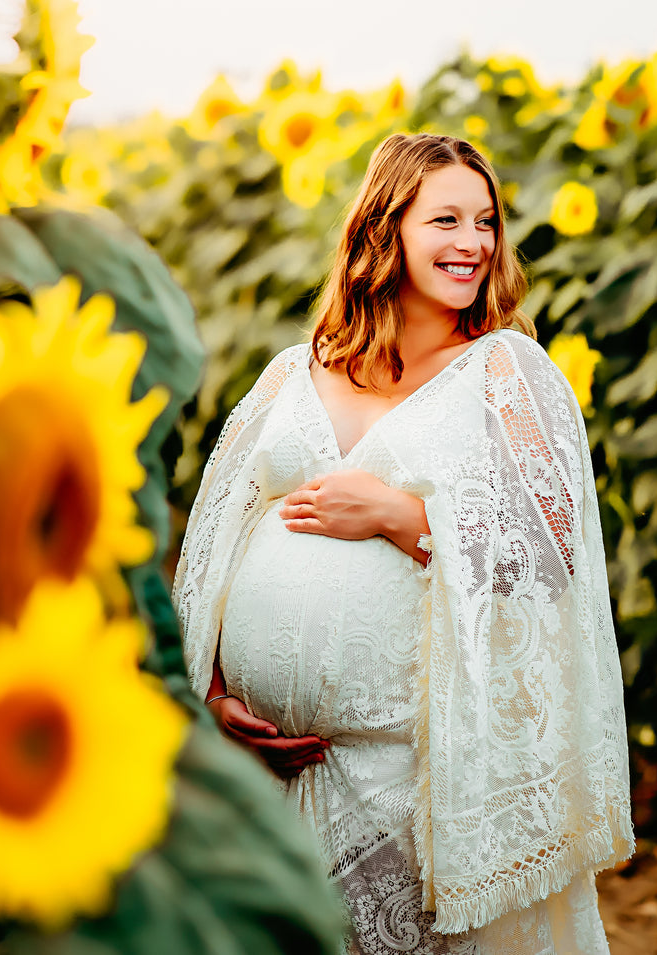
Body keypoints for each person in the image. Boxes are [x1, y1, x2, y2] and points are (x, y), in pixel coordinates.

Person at [171, 133, 632, 955]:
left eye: (485, 221)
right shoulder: (294, 370)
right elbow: (214, 543)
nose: (473, 243)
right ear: (384, 229)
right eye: (445, 219)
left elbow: (552, 561)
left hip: (413, 776)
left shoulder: (507, 374)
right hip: (275, 776)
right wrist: (209, 692)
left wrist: (400, 516)